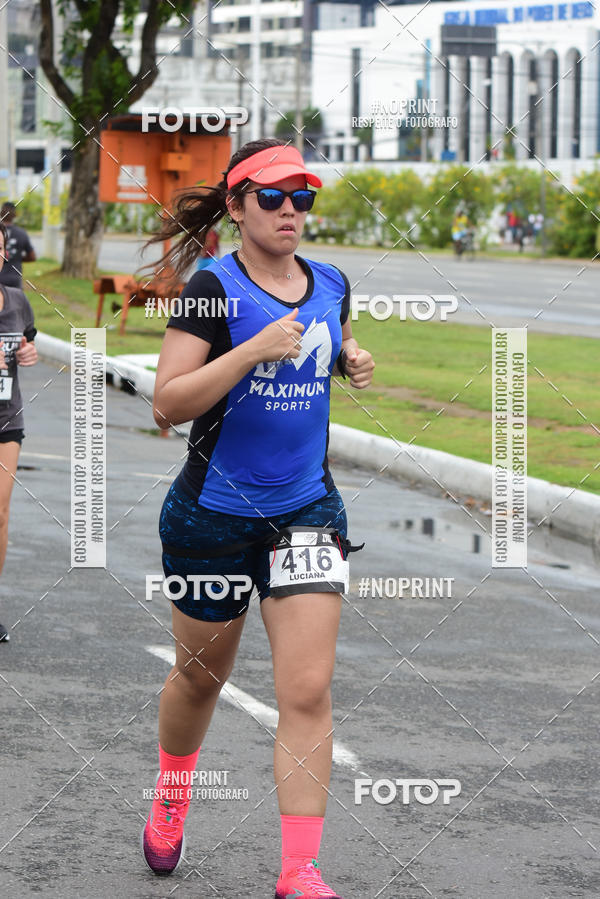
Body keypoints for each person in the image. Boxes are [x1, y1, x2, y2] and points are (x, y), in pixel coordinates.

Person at [142, 139, 374, 897]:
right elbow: (167, 405)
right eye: (271, 197)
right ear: (237, 205)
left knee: (307, 689)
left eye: (302, 198)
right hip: (212, 516)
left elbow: (321, 349)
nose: (289, 211)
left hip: (306, 510)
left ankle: (300, 869)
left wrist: (351, 357)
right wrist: (246, 354)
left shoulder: (332, 282)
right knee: (201, 677)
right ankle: (173, 795)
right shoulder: (212, 288)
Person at [0, 222, 38, 642]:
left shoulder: (16, 299)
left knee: (0, 513)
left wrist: (28, 351)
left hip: (7, 419)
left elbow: (28, 341)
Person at [0, 202, 36, 289]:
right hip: (14, 279)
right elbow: (32, 257)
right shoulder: (21, 233)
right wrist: (17, 258)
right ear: (15, 215)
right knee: (16, 301)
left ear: (1, 213)